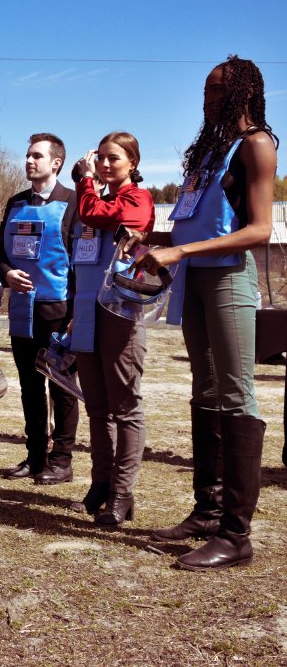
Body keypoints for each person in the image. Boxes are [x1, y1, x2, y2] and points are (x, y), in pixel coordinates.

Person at [132, 56, 278, 570]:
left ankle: (237, 535)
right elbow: (196, 226)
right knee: (206, 388)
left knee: (237, 392)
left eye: (219, 92)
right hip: (194, 278)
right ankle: (208, 510)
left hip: (228, 278)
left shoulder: (256, 145)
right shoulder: (209, 153)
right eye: (205, 92)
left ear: (245, 91)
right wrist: (156, 240)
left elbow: (260, 229)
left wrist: (180, 253)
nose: (209, 100)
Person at [69, 133, 154, 526]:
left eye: (114, 159)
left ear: (132, 163)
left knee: (124, 406)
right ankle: (100, 483)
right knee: (97, 406)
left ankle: (123, 492)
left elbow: (97, 215)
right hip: (87, 311)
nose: (104, 165)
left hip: (120, 314)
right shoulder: (96, 199)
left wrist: (86, 181)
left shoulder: (137, 198)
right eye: (99, 159)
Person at [0, 133, 79, 484]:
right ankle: (35, 456)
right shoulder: (15, 203)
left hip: (58, 310)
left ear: (56, 163)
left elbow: (81, 262)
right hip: (21, 311)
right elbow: (0, 254)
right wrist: (7, 273)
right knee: (30, 386)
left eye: (37, 156)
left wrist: (77, 315)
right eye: (27, 155)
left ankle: (62, 459)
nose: (29, 161)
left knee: (60, 386)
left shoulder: (73, 202)